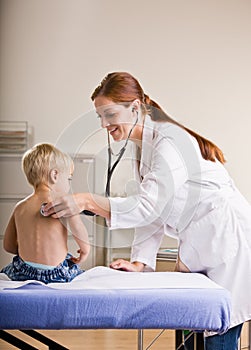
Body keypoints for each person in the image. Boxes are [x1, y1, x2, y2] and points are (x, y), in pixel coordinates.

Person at [43, 72, 251, 349]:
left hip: (227, 241)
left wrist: (86, 201)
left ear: (136, 108)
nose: (104, 124)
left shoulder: (171, 142)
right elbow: (153, 210)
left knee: (216, 334)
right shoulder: (144, 147)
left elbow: (147, 207)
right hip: (202, 243)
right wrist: (140, 262)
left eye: (110, 114)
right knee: (194, 328)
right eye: (100, 117)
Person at [1, 143, 90, 283]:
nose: (69, 183)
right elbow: (78, 230)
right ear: (55, 175)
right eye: (69, 178)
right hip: (56, 274)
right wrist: (85, 251)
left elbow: (8, 245)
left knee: (6, 270)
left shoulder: (20, 207)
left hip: (23, 272)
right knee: (80, 273)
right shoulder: (64, 204)